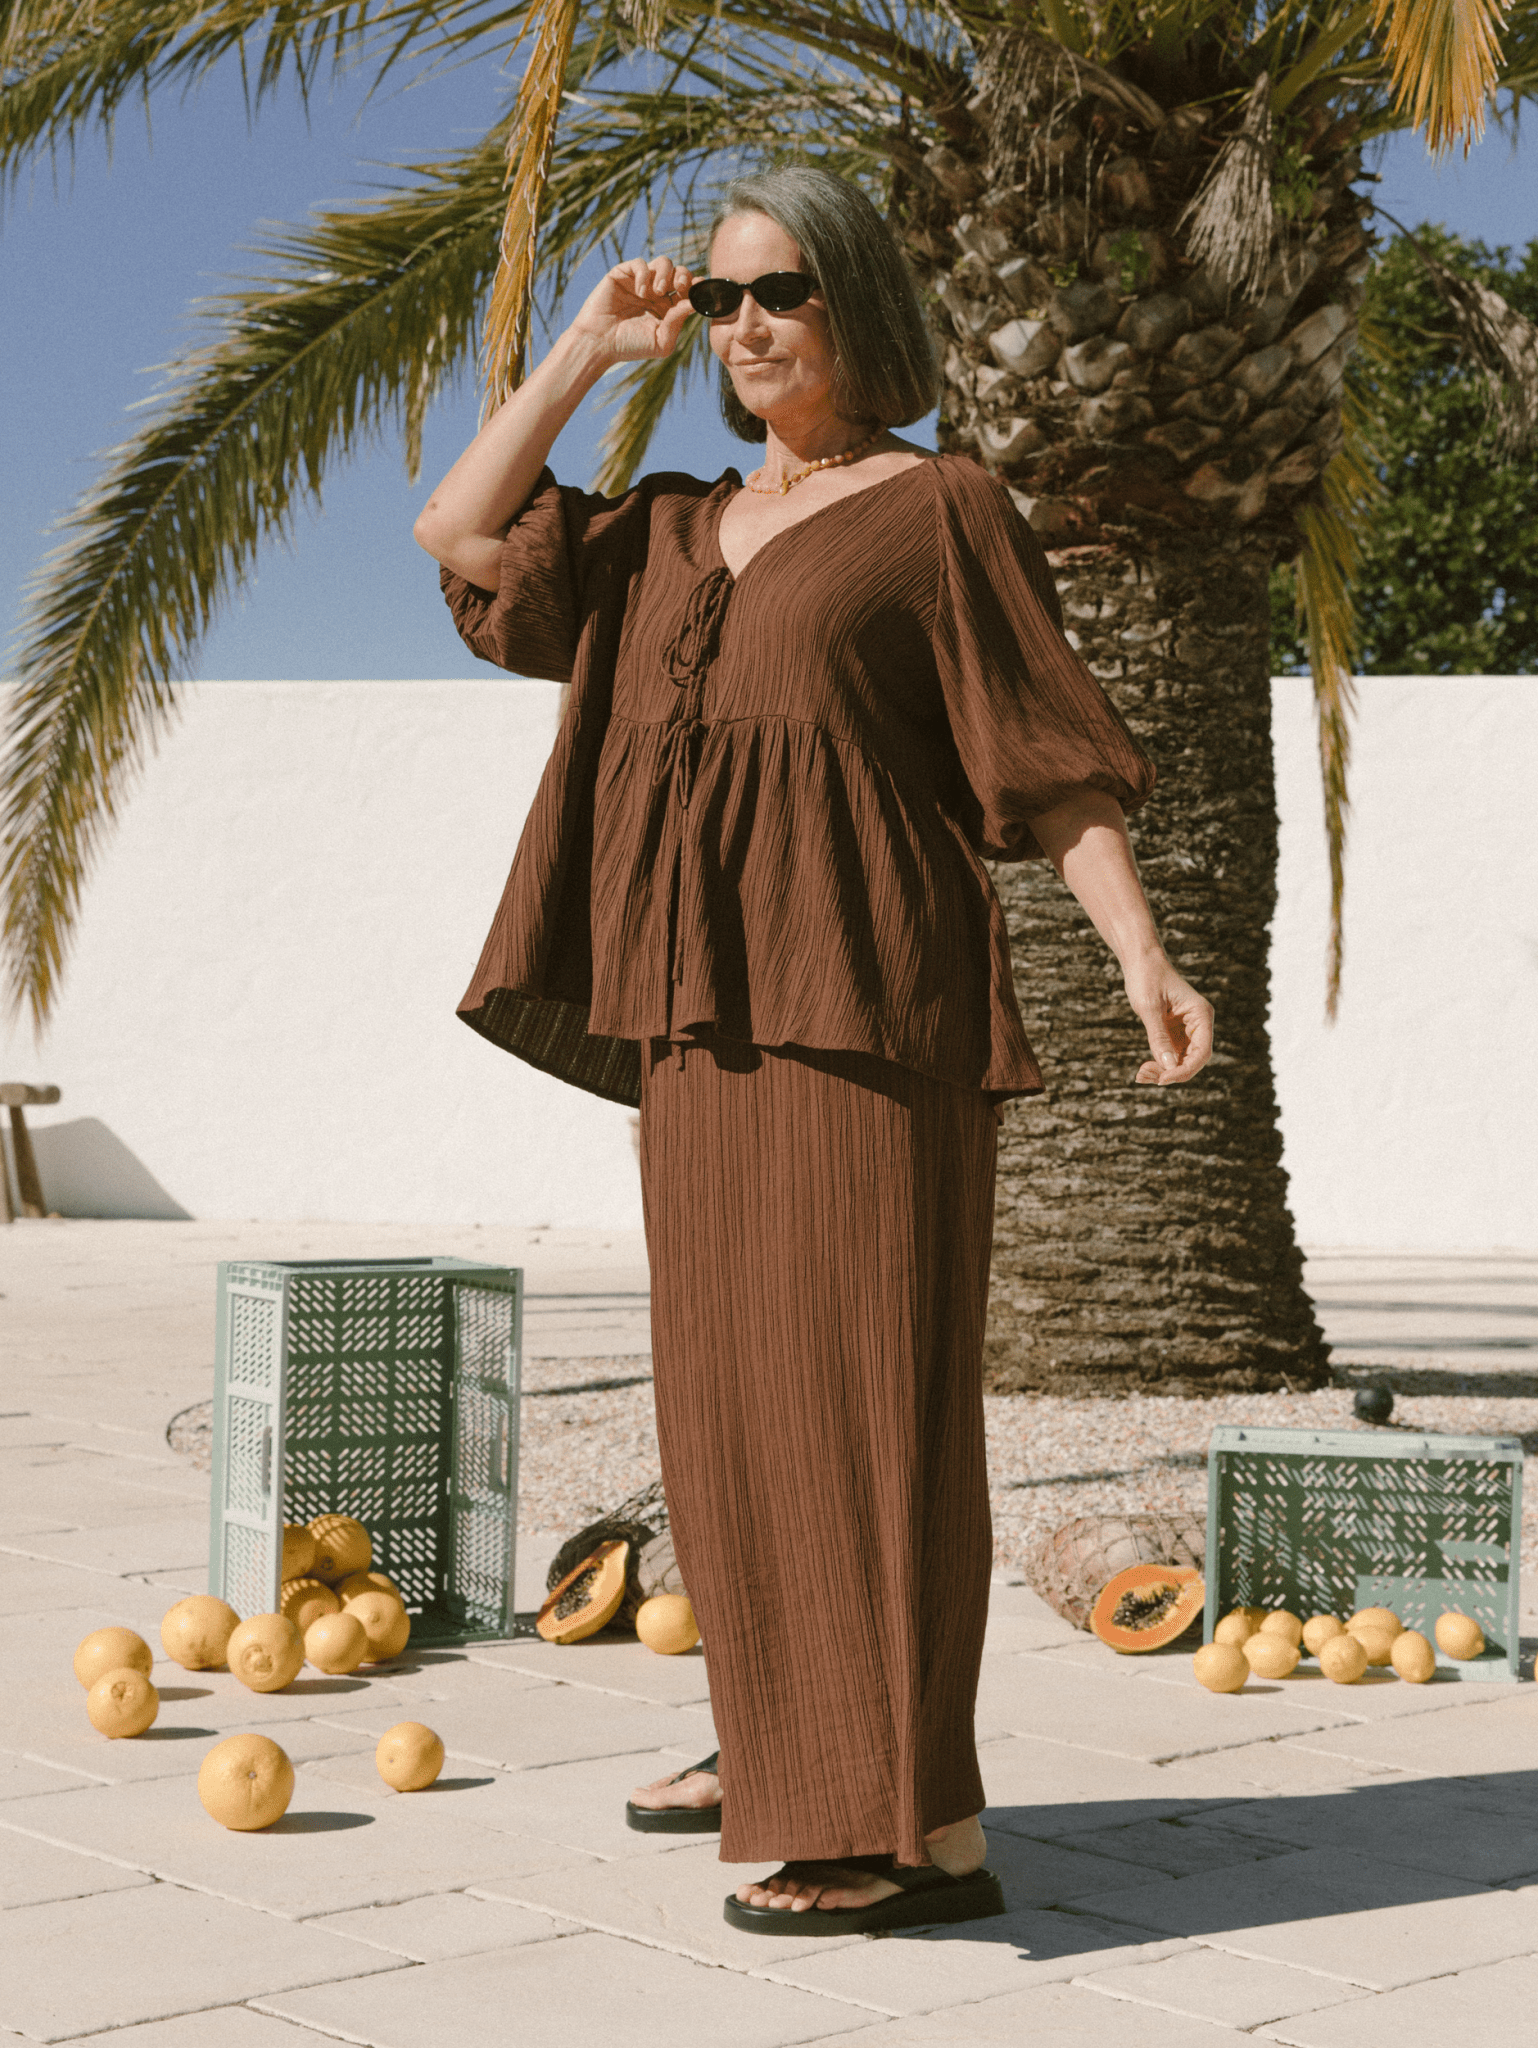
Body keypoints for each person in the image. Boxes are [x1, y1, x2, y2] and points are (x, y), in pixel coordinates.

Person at [413, 165, 1213, 1937]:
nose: (746, 325)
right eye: (720, 298)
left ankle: (910, 1832)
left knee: (865, 1401)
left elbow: (1044, 760)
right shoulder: (666, 531)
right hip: (697, 1013)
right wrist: (582, 349)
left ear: (857, 302)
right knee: (730, 1405)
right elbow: (458, 536)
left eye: (781, 291)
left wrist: (1142, 954)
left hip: (869, 1002)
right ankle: (784, 1748)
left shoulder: (938, 508)